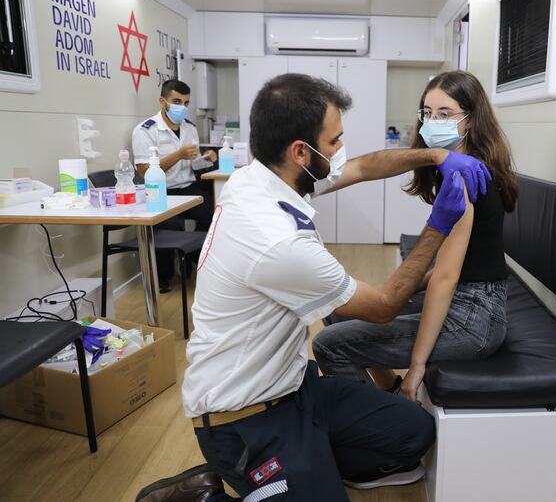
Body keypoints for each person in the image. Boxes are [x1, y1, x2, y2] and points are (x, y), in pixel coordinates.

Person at [135, 72, 491, 502]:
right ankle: (212, 492)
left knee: (414, 430)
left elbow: (362, 167)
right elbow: (384, 306)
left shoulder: (258, 177)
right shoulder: (277, 241)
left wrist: (435, 155)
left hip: (295, 390)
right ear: (300, 151)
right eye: (335, 141)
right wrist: (438, 225)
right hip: (242, 419)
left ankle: (307, 464)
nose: (341, 152)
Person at [312, 70, 518, 402]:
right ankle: (388, 393)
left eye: (445, 114)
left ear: (471, 121)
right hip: (474, 300)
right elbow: (463, 264)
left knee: (329, 344)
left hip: (474, 321)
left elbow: (447, 278)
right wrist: (385, 296)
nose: (433, 121)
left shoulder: (463, 179)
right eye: (428, 112)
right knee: (340, 308)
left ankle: (386, 430)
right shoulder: (458, 165)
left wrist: (417, 367)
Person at [132, 79, 217, 292]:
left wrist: (206, 159)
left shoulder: (190, 128)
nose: (182, 107)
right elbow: (144, 172)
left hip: (187, 187)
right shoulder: (145, 130)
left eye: (186, 103)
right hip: (161, 191)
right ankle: (163, 276)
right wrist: (178, 154)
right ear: (163, 101)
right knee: (170, 226)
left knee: (213, 213)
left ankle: (195, 259)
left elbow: (193, 163)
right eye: (177, 101)